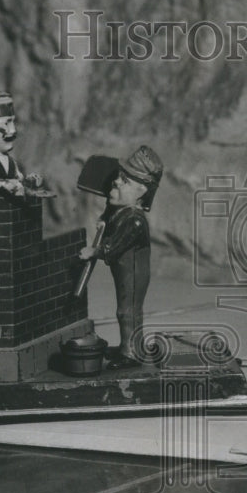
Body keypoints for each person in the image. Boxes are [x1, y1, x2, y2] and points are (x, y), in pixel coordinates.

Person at [78, 146, 163, 363]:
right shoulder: (123, 212)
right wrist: (105, 216)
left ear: (141, 191)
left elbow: (112, 248)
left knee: (128, 311)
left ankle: (131, 352)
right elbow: (112, 210)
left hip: (133, 273)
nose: (116, 181)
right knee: (125, 310)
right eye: (118, 176)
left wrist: (93, 251)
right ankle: (131, 348)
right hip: (124, 271)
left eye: (124, 181)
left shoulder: (134, 221)